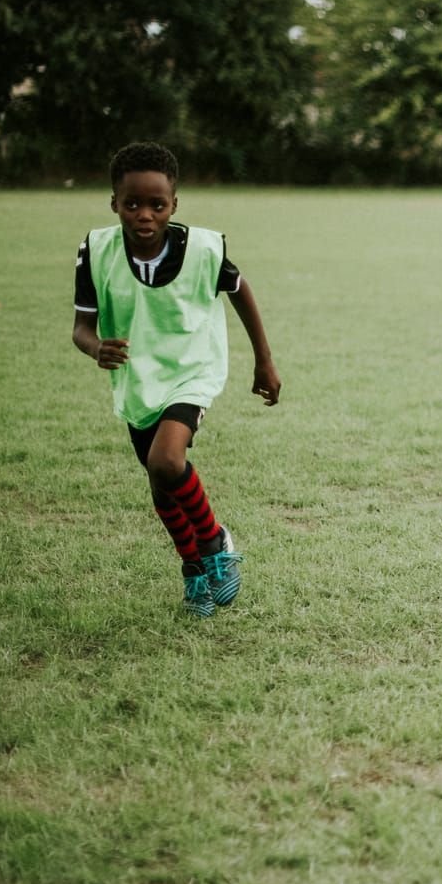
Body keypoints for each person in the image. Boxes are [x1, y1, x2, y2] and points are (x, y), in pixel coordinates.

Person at [73, 141, 281, 618]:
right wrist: (95, 348)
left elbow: (240, 292)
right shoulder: (96, 250)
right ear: (114, 203)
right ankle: (195, 574)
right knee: (161, 488)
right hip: (138, 378)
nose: (144, 215)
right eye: (132, 204)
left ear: (173, 205)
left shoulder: (203, 248)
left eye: (157, 205)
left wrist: (263, 361)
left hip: (192, 369)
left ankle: (215, 542)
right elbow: (82, 328)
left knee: (167, 461)